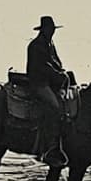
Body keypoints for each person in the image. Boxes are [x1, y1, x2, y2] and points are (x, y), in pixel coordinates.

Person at [26, 15, 70, 167]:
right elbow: (42, 67)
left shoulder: (50, 44)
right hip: (39, 84)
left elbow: (56, 62)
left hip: (49, 83)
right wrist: (58, 75)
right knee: (55, 107)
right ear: (43, 29)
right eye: (49, 29)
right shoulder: (36, 45)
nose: (51, 32)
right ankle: (50, 148)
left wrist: (63, 72)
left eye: (52, 29)